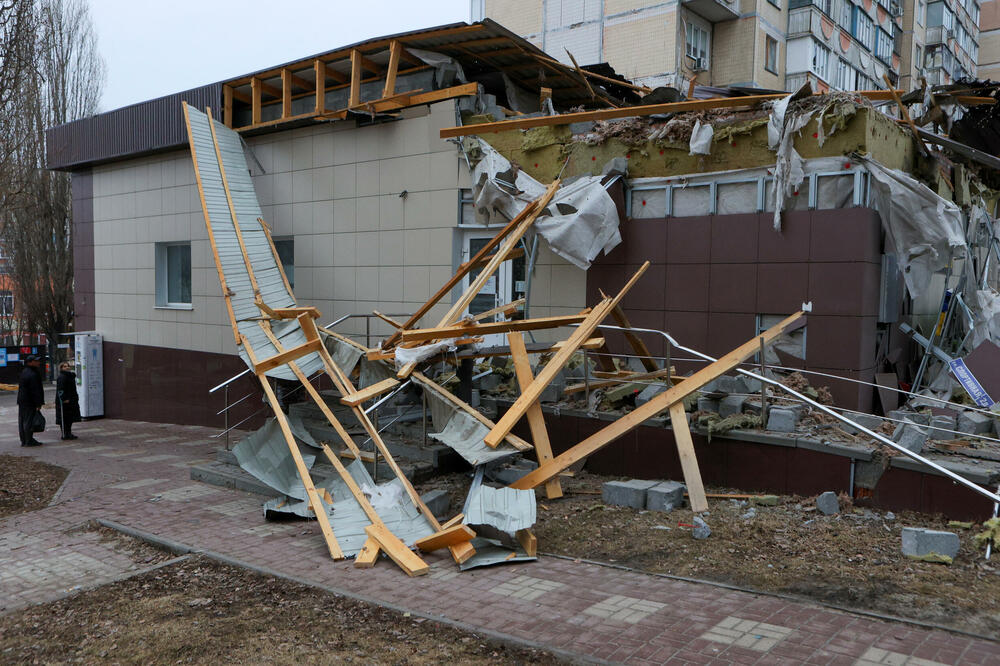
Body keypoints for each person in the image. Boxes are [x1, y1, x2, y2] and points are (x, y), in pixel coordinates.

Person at [17, 355, 44, 447]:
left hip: (23, 400)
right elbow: (35, 390)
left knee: (23, 420)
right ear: (30, 362)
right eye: (35, 361)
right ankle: (28, 440)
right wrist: (38, 403)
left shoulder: (25, 372)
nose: (38, 362)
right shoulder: (33, 374)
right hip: (29, 401)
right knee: (28, 421)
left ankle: (24, 440)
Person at [55, 361, 80, 440]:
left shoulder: (70, 376)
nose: (67, 367)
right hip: (65, 401)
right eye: (65, 366)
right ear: (61, 368)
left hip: (71, 400)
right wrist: (64, 399)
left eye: (68, 366)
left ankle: (68, 433)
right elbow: (60, 389)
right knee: (64, 418)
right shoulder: (62, 377)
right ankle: (65, 434)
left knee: (70, 418)